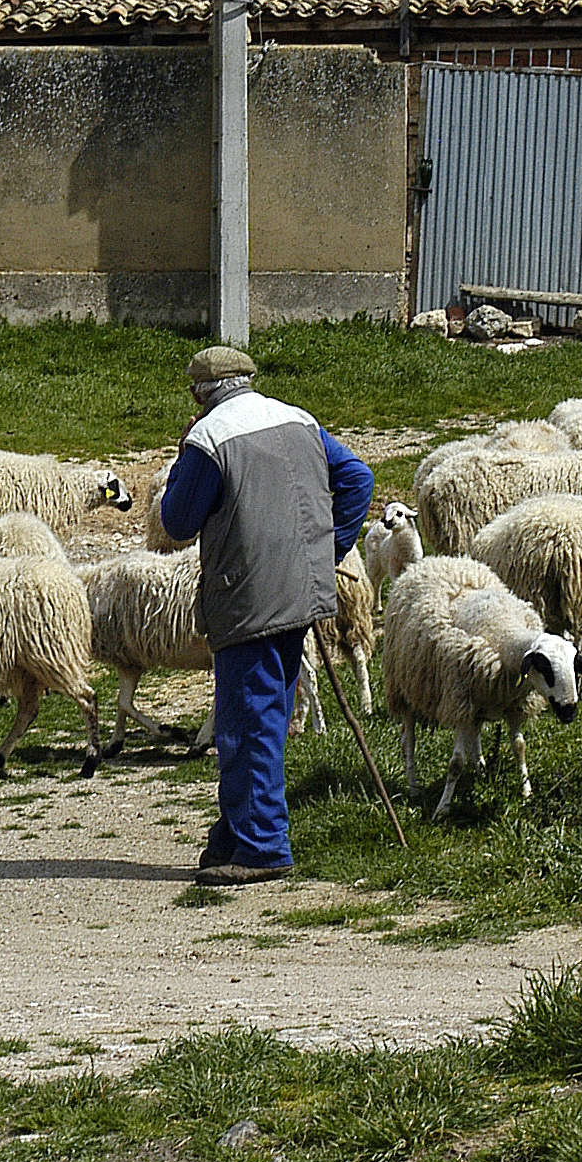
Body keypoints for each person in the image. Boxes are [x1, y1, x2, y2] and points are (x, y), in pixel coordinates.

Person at [158, 345, 376, 885]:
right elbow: (359, 481)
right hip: (301, 588)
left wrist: (185, 452)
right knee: (261, 713)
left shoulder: (210, 439)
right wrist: (326, 551)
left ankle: (262, 847)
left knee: (249, 720)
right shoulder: (299, 420)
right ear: (249, 381)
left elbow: (178, 521)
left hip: (249, 594)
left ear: (199, 393)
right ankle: (235, 833)